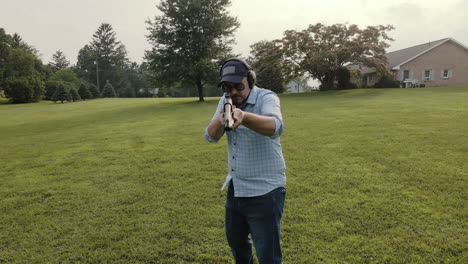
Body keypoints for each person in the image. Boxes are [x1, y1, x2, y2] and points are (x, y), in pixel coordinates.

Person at [204, 58, 287, 264]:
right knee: (237, 245)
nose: (233, 92)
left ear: (250, 80)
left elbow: (275, 126)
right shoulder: (225, 101)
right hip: (236, 188)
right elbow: (210, 136)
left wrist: (244, 117)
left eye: (238, 86)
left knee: (268, 255)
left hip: (265, 191)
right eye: (227, 87)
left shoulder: (266, 97)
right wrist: (223, 117)